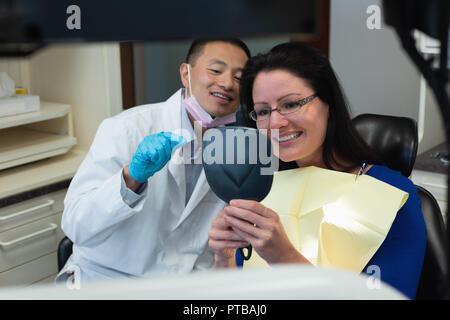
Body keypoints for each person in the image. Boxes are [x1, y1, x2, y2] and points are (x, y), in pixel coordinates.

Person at [208, 42, 427, 299]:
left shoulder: (391, 195)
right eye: (263, 111)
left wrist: (284, 257)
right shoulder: (263, 188)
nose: (276, 122)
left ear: (328, 104)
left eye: (291, 104)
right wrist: (223, 260)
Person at [55, 38, 250, 284]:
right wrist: (131, 179)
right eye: (215, 70)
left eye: (239, 78)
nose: (227, 83)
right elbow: (76, 225)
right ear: (185, 74)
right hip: (108, 280)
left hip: (187, 285)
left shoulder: (240, 147)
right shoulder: (126, 128)